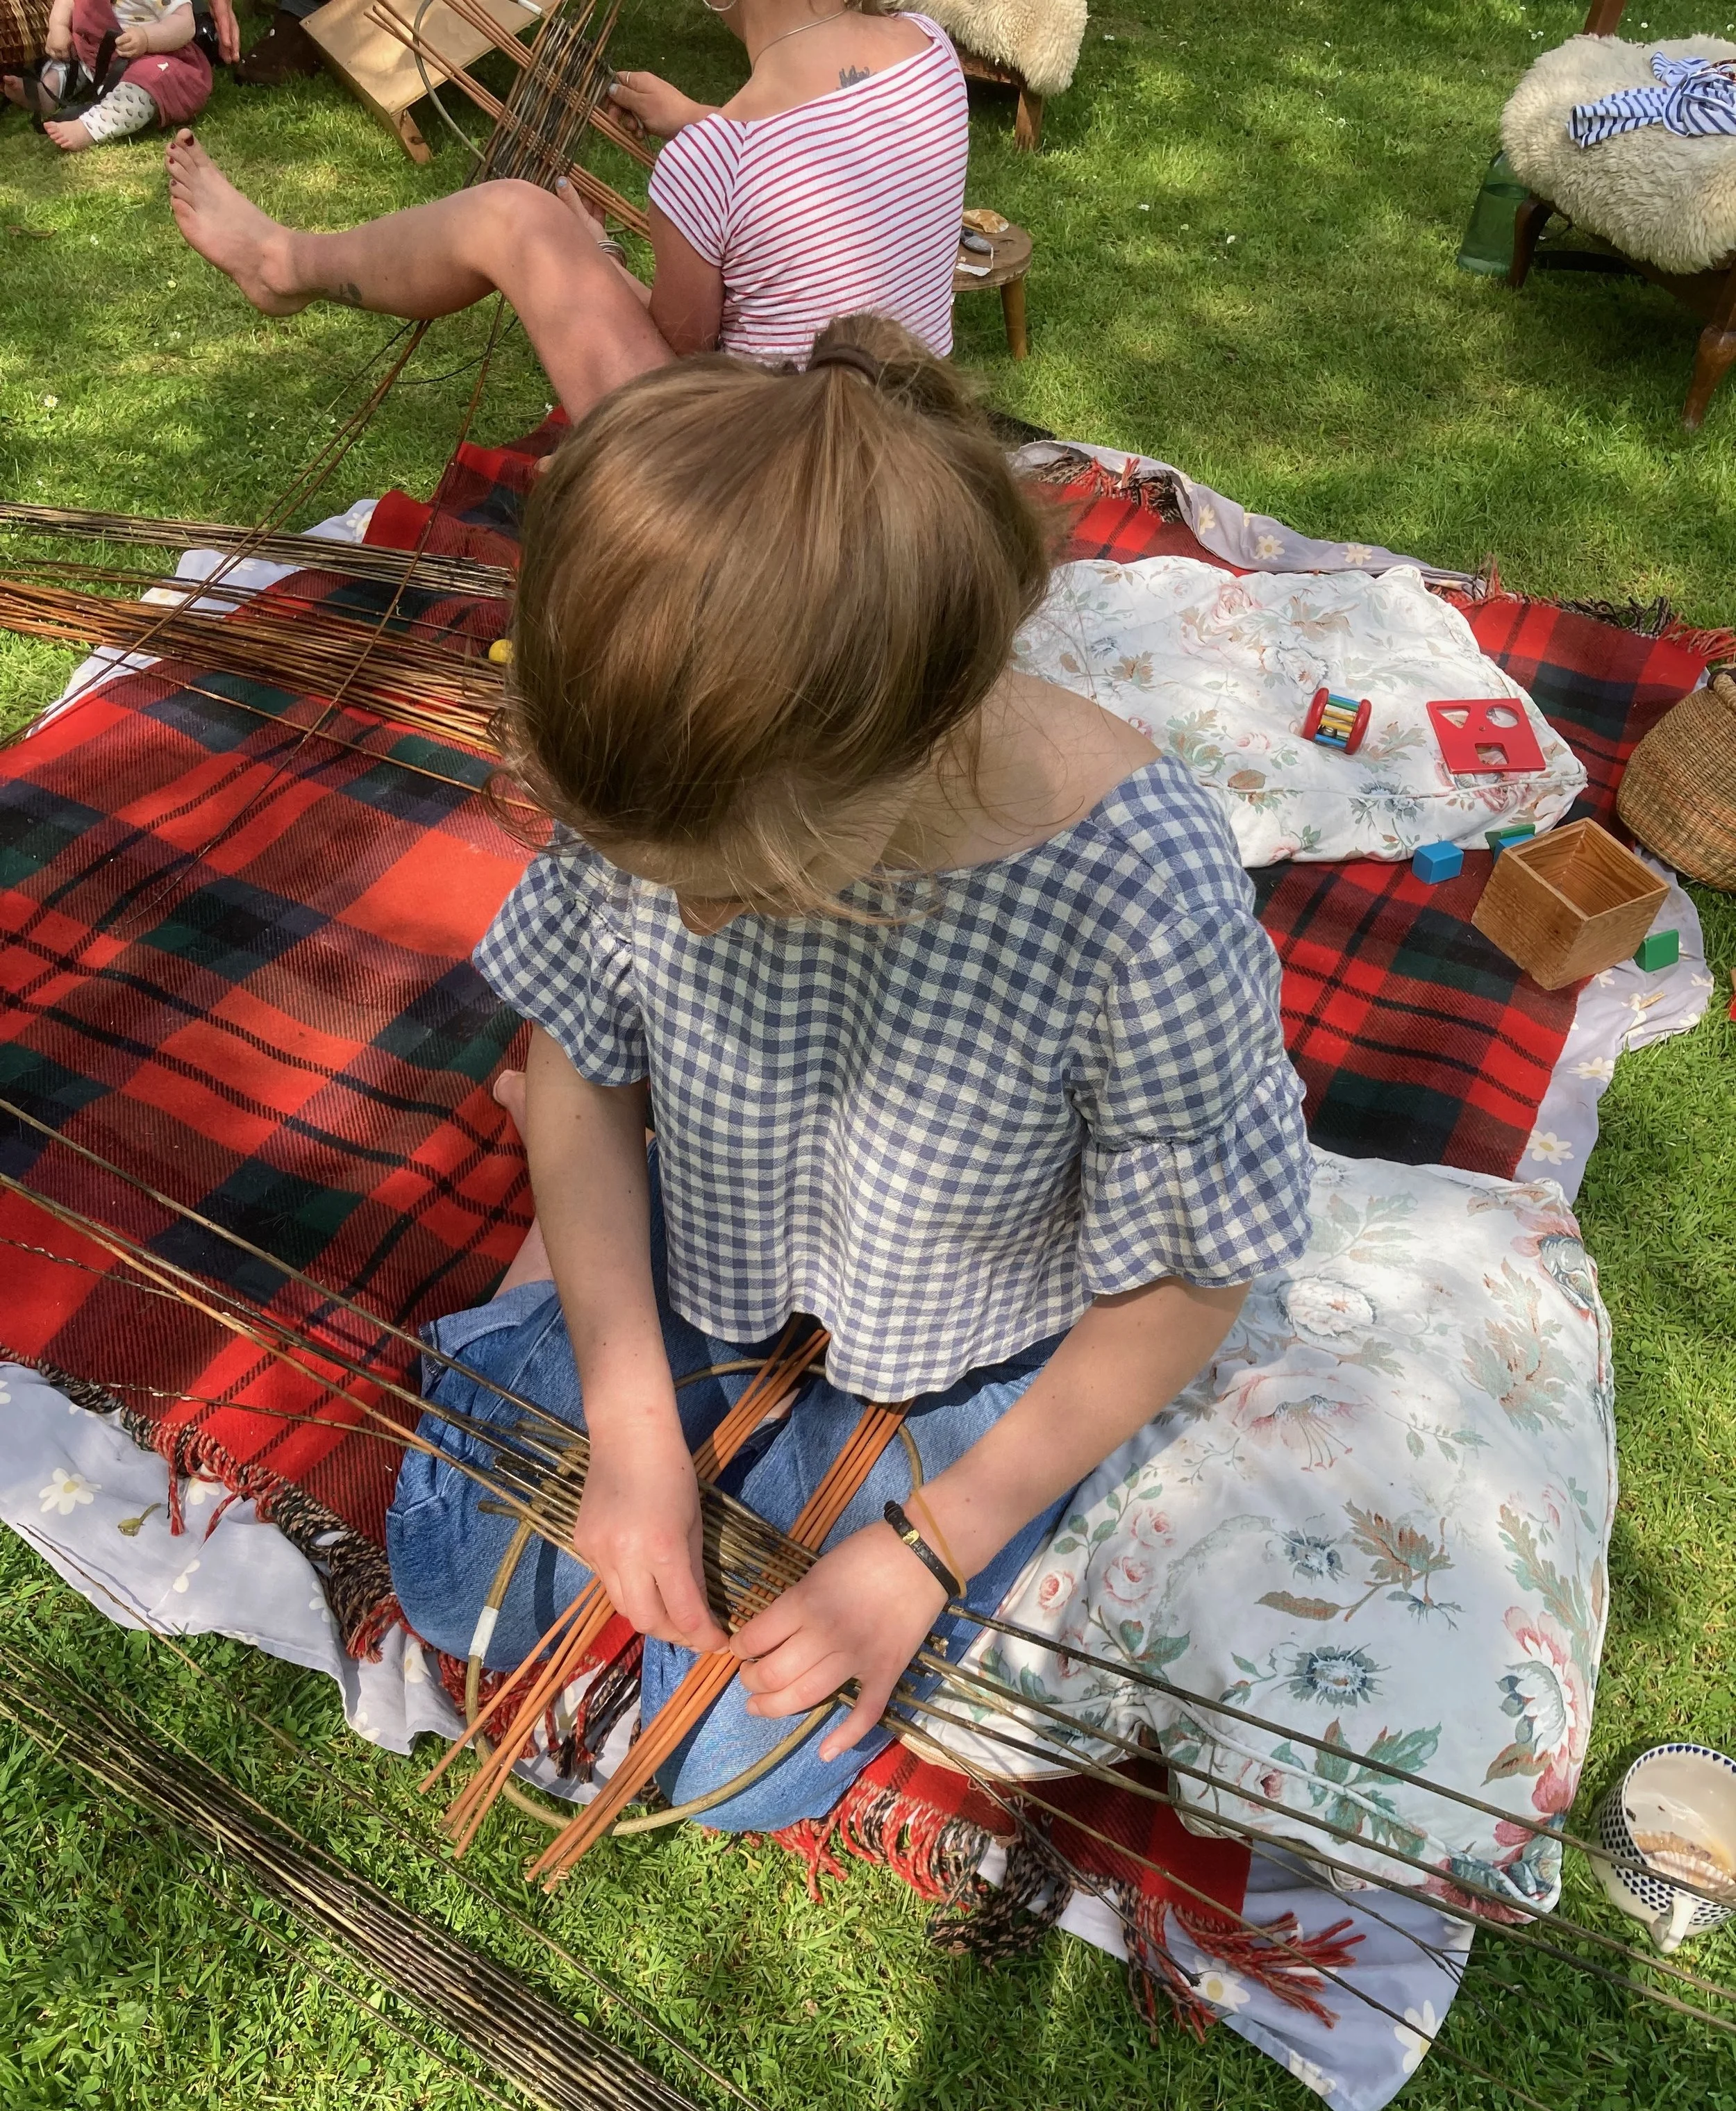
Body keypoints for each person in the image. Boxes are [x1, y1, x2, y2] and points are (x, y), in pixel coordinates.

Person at [386, 313, 1317, 1835]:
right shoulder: (672, 748)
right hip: (717, 1243)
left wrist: (926, 1550)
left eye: (739, 889)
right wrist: (628, 1424)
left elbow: (1186, 1285)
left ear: (918, 750)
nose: (687, 918)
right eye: (655, 877)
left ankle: (591, 1336)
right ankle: (584, 1321)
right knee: (455, 1574)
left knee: (724, 1764)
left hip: (961, 1342)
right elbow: (580, 1069)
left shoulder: (1135, 891)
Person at [163, 0, 968, 419]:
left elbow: (681, 357)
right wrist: (699, 119)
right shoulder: (931, 52)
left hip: (776, 501)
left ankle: (282, 265)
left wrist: (599, 257)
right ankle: (282, 263)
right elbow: (823, 145)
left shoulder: (713, 161)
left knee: (516, 218)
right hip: (911, 448)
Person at [3, 0, 234, 147]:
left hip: (154, 58)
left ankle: (94, 125)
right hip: (96, 56)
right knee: (65, 59)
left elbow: (184, 25)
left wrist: (146, 39)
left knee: (149, 84)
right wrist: (59, 29)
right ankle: (47, 93)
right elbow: (66, 3)